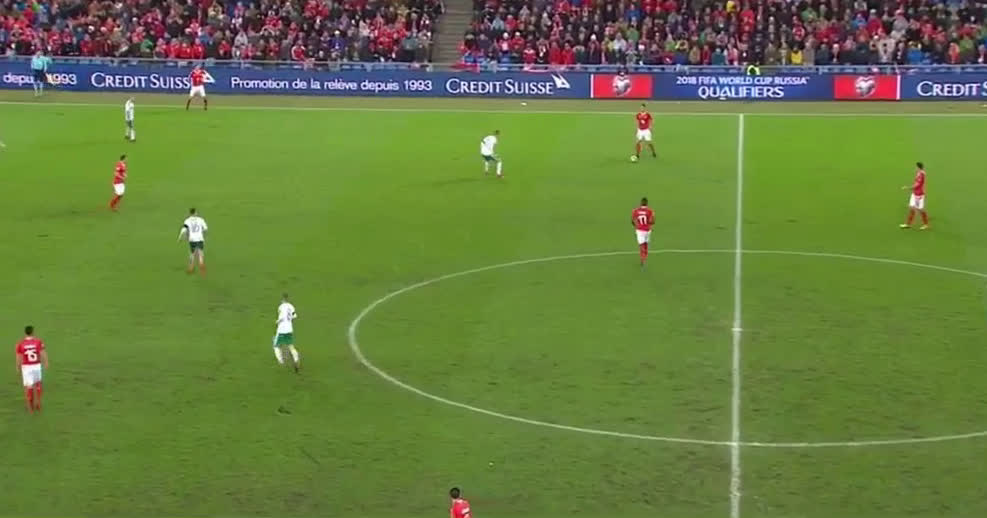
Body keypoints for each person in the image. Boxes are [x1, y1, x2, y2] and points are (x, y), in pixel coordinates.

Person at [15, 325, 49, 414]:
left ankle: (30, 408)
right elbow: (42, 353)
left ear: (25, 333)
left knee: (29, 387)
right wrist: (46, 362)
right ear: (33, 332)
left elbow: (19, 357)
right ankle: (38, 403)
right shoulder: (38, 342)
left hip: (27, 367)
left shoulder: (20, 344)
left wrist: (17, 367)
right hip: (37, 366)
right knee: (38, 385)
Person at [273, 293, 300, 372]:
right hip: (289, 329)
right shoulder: (291, 306)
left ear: (282, 300)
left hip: (282, 329)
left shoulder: (281, 307)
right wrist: (290, 319)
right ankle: (296, 359)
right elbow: (295, 316)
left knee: (276, 345)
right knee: (290, 346)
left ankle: (280, 361)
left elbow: (281, 317)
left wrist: (277, 321)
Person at [177, 208, 208, 273]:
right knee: (200, 252)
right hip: (200, 238)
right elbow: (205, 228)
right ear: (195, 213)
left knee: (192, 253)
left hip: (192, 239)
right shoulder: (201, 219)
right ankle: (201, 263)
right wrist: (203, 234)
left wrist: (180, 237)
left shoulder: (187, 220)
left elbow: (183, 230)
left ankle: (191, 267)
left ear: (190, 213)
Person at [900, 162, 929, 230]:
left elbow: (917, 185)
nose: (915, 168)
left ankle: (926, 224)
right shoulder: (919, 173)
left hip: (919, 195)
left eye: (916, 167)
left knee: (921, 210)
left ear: (918, 167)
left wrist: (908, 188)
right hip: (915, 193)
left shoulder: (921, 174)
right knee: (912, 208)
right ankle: (908, 224)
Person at [631, 197, 655, 267]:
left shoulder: (635, 210)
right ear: (647, 203)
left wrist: (636, 226)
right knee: (646, 244)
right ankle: (645, 256)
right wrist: (650, 224)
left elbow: (632, 221)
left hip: (639, 230)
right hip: (647, 230)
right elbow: (652, 221)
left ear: (641, 203)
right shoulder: (650, 211)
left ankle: (642, 258)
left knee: (641, 245)